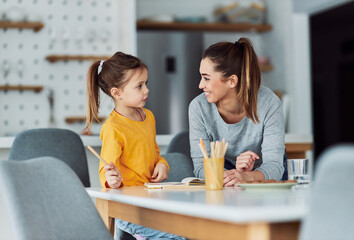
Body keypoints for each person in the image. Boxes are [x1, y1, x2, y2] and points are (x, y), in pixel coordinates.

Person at [86, 52, 185, 240]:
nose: (146, 90)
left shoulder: (148, 117)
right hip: (129, 209)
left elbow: (155, 153)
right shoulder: (113, 128)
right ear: (117, 93)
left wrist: (162, 164)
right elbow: (105, 170)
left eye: (146, 83)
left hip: (152, 202)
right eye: (139, 86)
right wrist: (111, 180)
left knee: (190, 228)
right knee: (178, 236)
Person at [189, 38, 285, 187]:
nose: (201, 85)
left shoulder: (269, 103)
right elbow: (201, 167)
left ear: (232, 81)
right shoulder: (198, 107)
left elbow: (275, 166)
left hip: (264, 176)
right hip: (223, 173)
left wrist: (245, 176)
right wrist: (231, 175)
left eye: (206, 78)